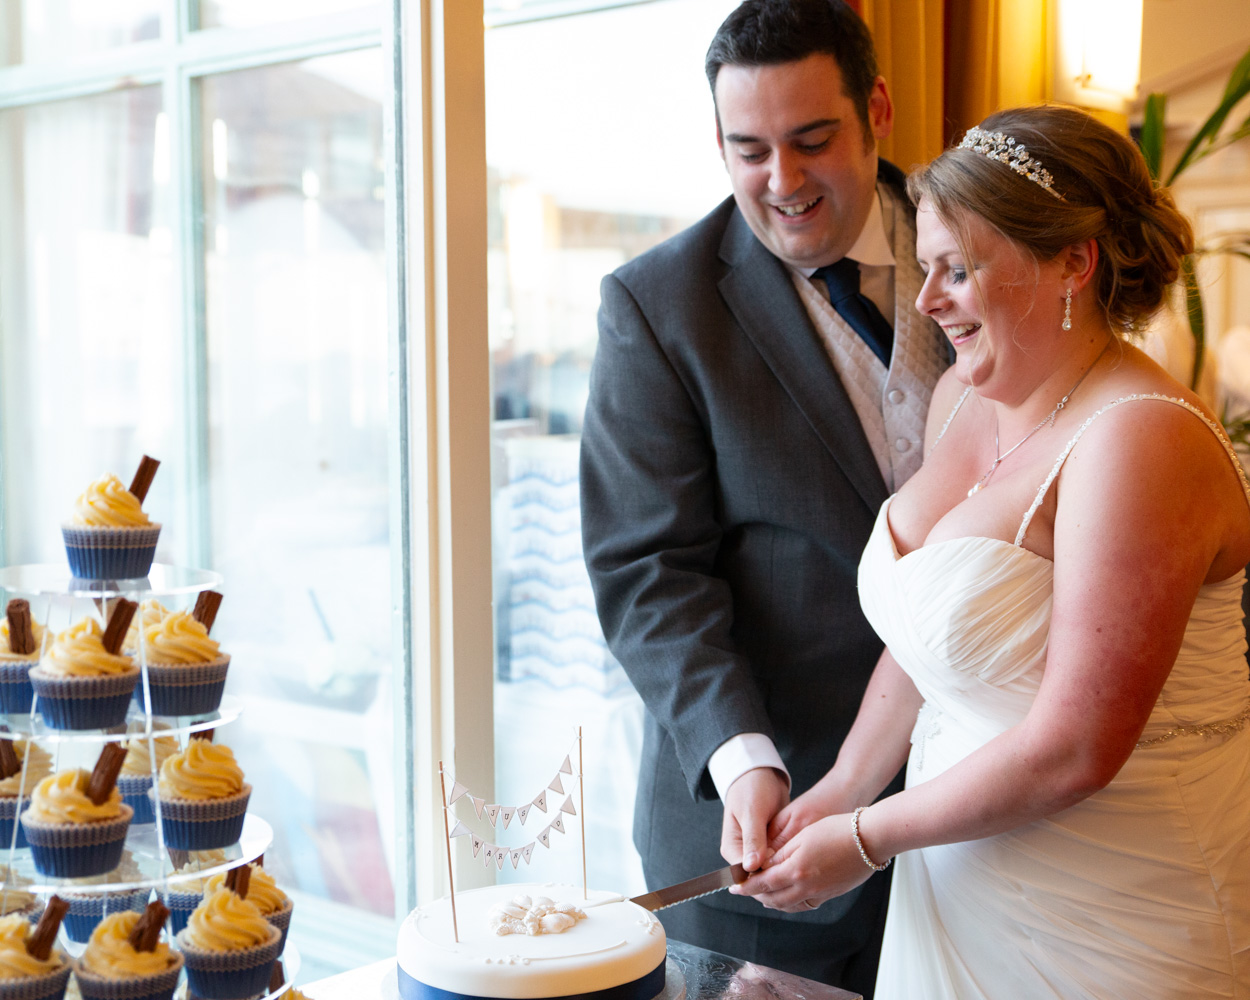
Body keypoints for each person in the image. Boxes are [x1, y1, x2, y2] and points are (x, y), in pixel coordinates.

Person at [733, 103, 1250, 998]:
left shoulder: (1141, 441)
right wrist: (845, 785)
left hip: (1112, 913)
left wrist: (867, 838)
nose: (926, 300)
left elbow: (1076, 748)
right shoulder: (962, 402)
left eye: (958, 269)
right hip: (957, 883)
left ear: (1072, 264)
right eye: (927, 266)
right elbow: (927, 628)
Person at [579, 1, 948, 994]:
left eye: (812, 140)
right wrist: (742, 756)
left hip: (977, 814)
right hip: (767, 848)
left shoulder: (979, 242)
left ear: (876, 109)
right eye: (748, 150)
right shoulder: (657, 307)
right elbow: (647, 573)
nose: (781, 180)